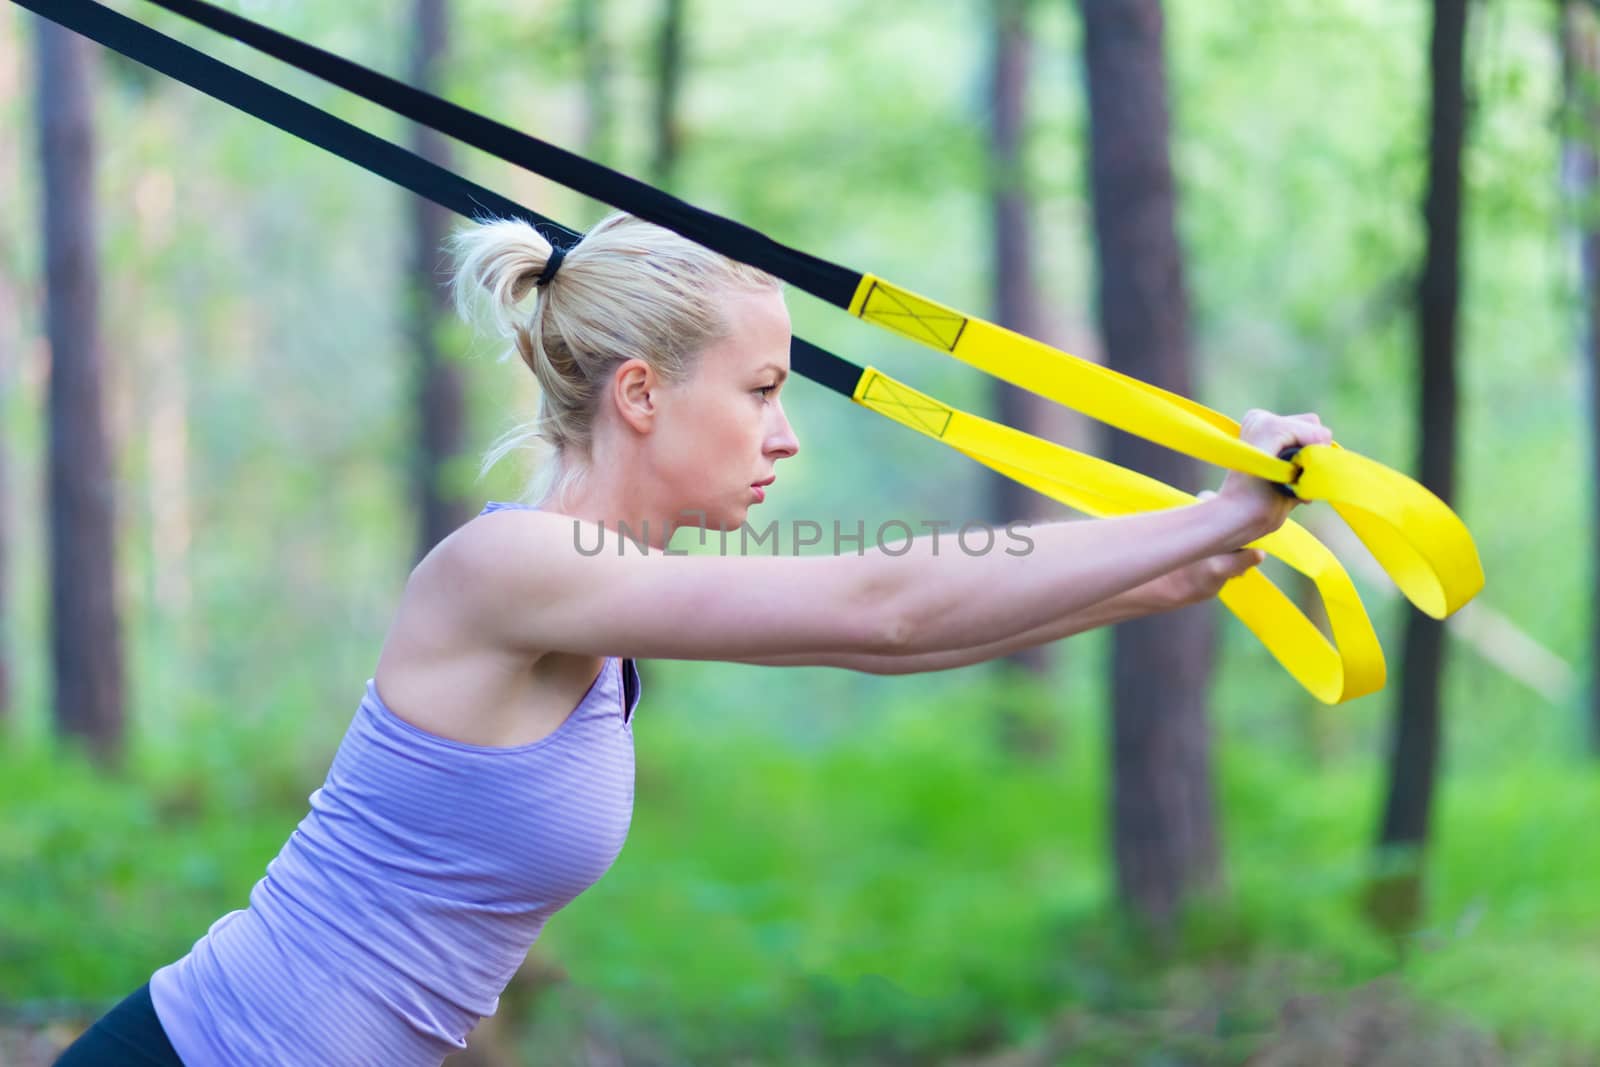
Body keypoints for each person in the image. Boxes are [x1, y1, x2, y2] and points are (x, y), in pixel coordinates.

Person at [54, 212, 1332, 1066]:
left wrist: (1182, 565)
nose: (784, 436)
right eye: (764, 391)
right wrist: (1196, 513)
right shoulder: (514, 569)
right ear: (642, 393)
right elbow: (877, 603)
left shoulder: (601, 594)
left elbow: (901, 644)